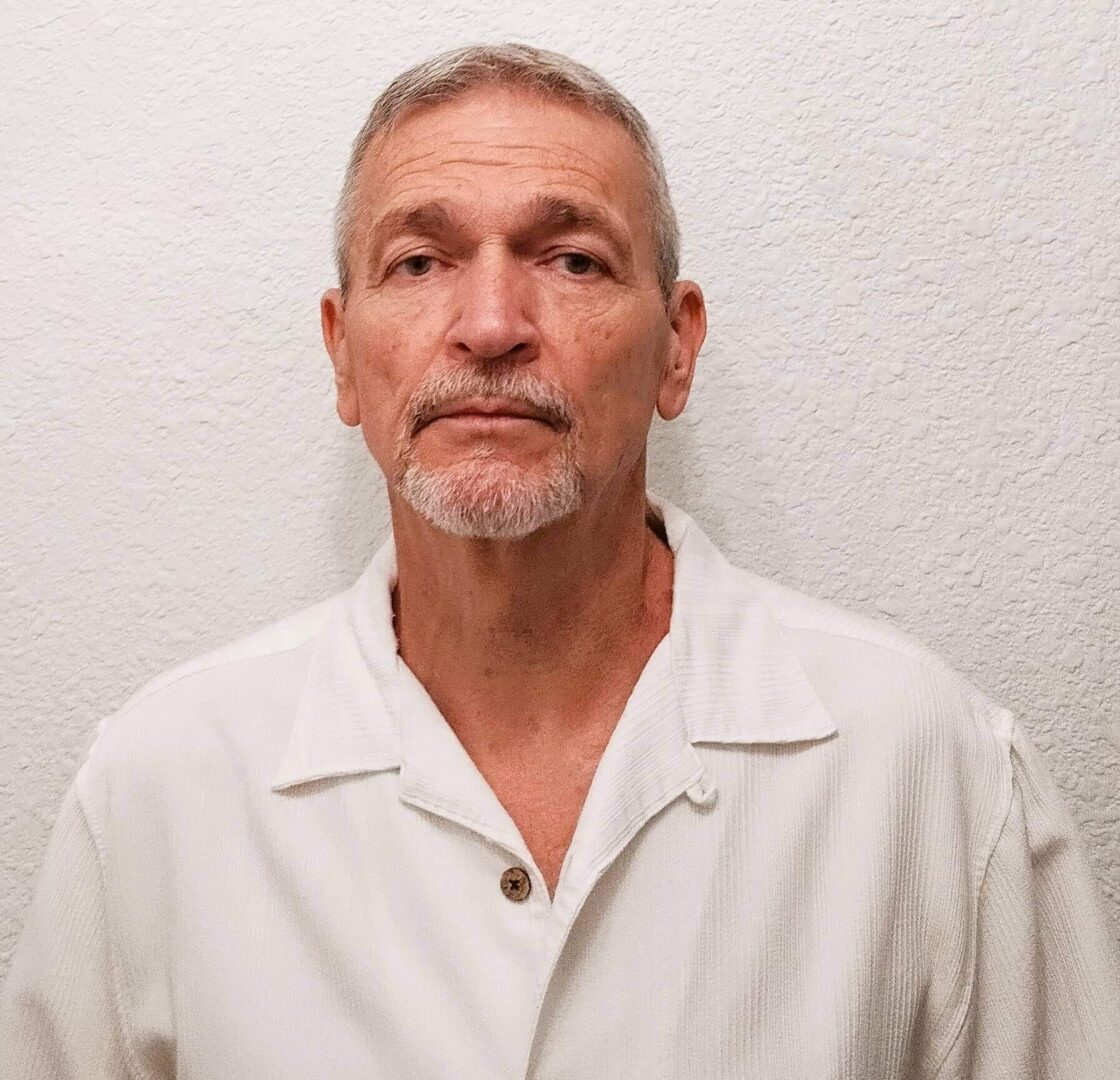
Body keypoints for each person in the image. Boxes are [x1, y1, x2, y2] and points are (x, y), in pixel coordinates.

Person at [2, 41, 1118, 1080]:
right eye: (420, 260)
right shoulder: (159, 790)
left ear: (675, 348)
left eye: (573, 259)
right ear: (344, 355)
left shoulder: (929, 770)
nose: (490, 323)